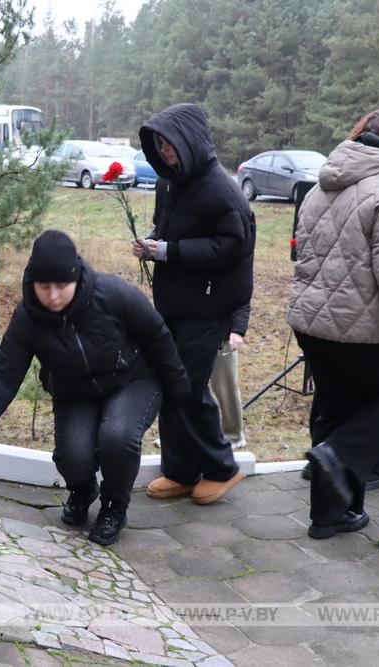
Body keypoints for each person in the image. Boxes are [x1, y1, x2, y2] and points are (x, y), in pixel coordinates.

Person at [0, 230, 190, 546]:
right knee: (72, 456)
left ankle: (115, 506)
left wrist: (181, 393)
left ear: (76, 276)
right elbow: (4, 375)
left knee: (117, 436)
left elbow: (158, 336)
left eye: (62, 285)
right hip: (75, 391)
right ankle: (83, 489)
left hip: (132, 380)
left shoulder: (112, 293)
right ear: (32, 282)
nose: (55, 295)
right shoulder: (28, 318)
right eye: (45, 287)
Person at [287, 107, 379, 539]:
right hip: (362, 329)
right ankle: (338, 454)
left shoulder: (321, 186)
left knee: (337, 408)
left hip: (313, 323)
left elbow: (303, 254)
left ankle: (331, 515)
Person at [132, 102, 255, 505]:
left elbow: (233, 247)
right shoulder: (170, 181)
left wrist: (167, 251)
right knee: (171, 385)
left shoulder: (221, 189)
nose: (165, 153)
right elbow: (169, 228)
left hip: (207, 308)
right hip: (172, 302)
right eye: (160, 146)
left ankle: (222, 467)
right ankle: (181, 470)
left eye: (170, 145)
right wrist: (152, 243)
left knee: (187, 388)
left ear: (190, 143)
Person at [210, 304, 248, 448]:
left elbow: (242, 301)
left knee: (224, 387)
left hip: (223, 334)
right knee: (187, 383)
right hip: (192, 330)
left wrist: (237, 330)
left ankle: (233, 434)